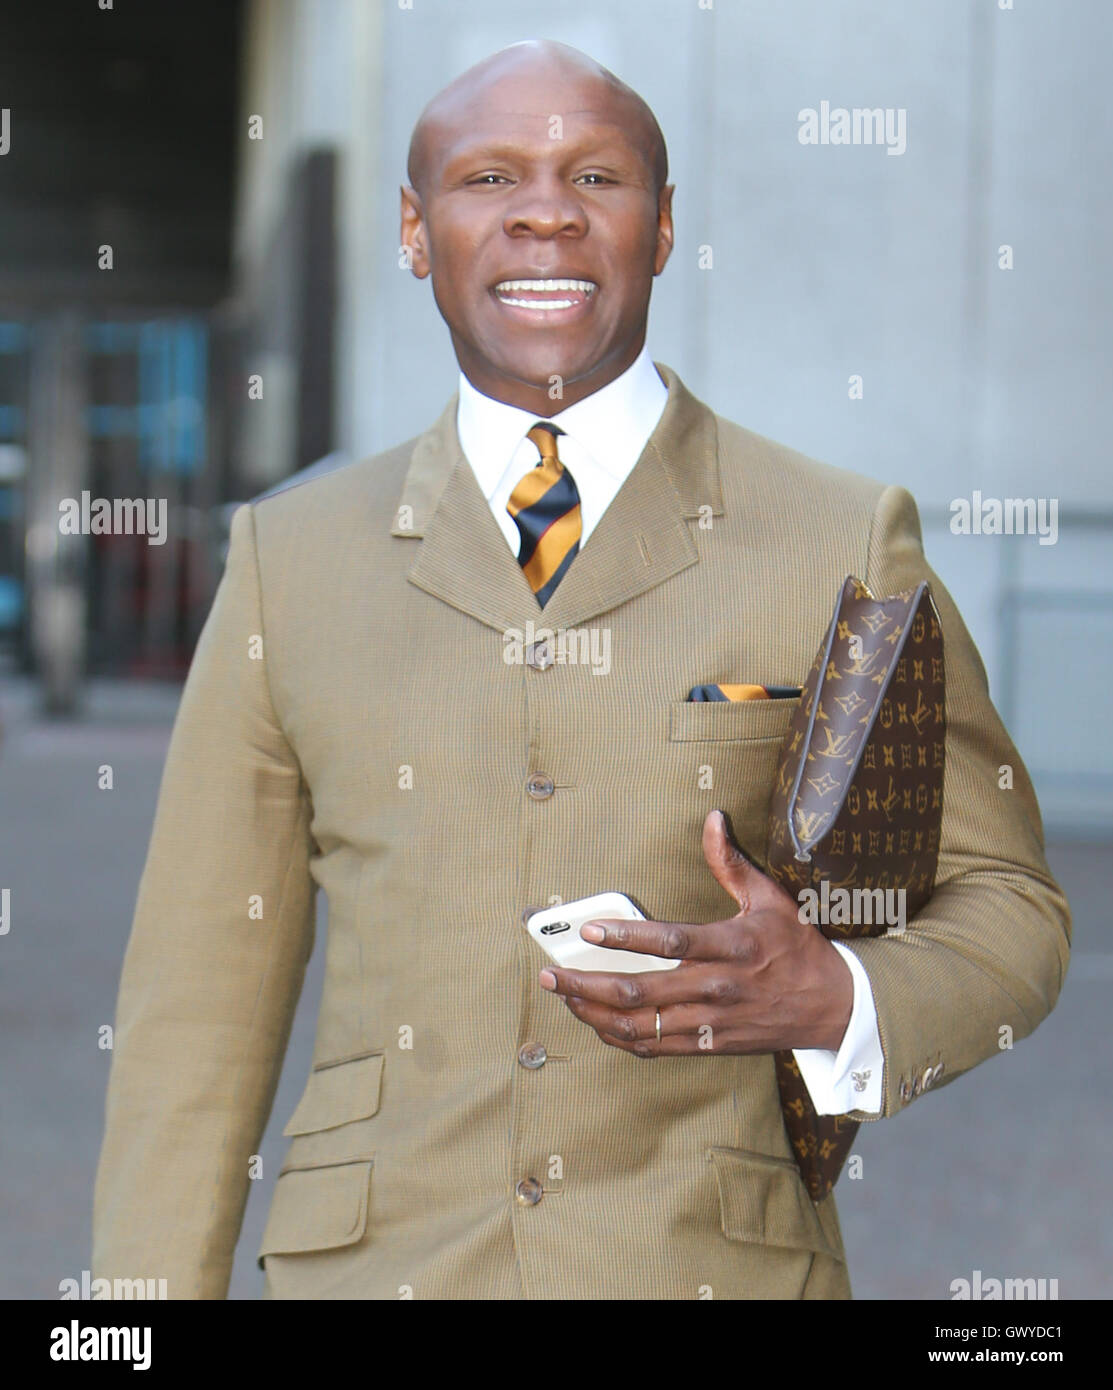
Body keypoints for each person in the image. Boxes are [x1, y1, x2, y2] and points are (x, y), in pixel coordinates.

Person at [92, 39, 1070, 1300]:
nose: (544, 212)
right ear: (412, 229)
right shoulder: (290, 559)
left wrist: (841, 994)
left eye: (595, 178)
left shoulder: (841, 536)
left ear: (662, 230)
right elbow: (196, 996)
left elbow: (1012, 908)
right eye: (489, 177)